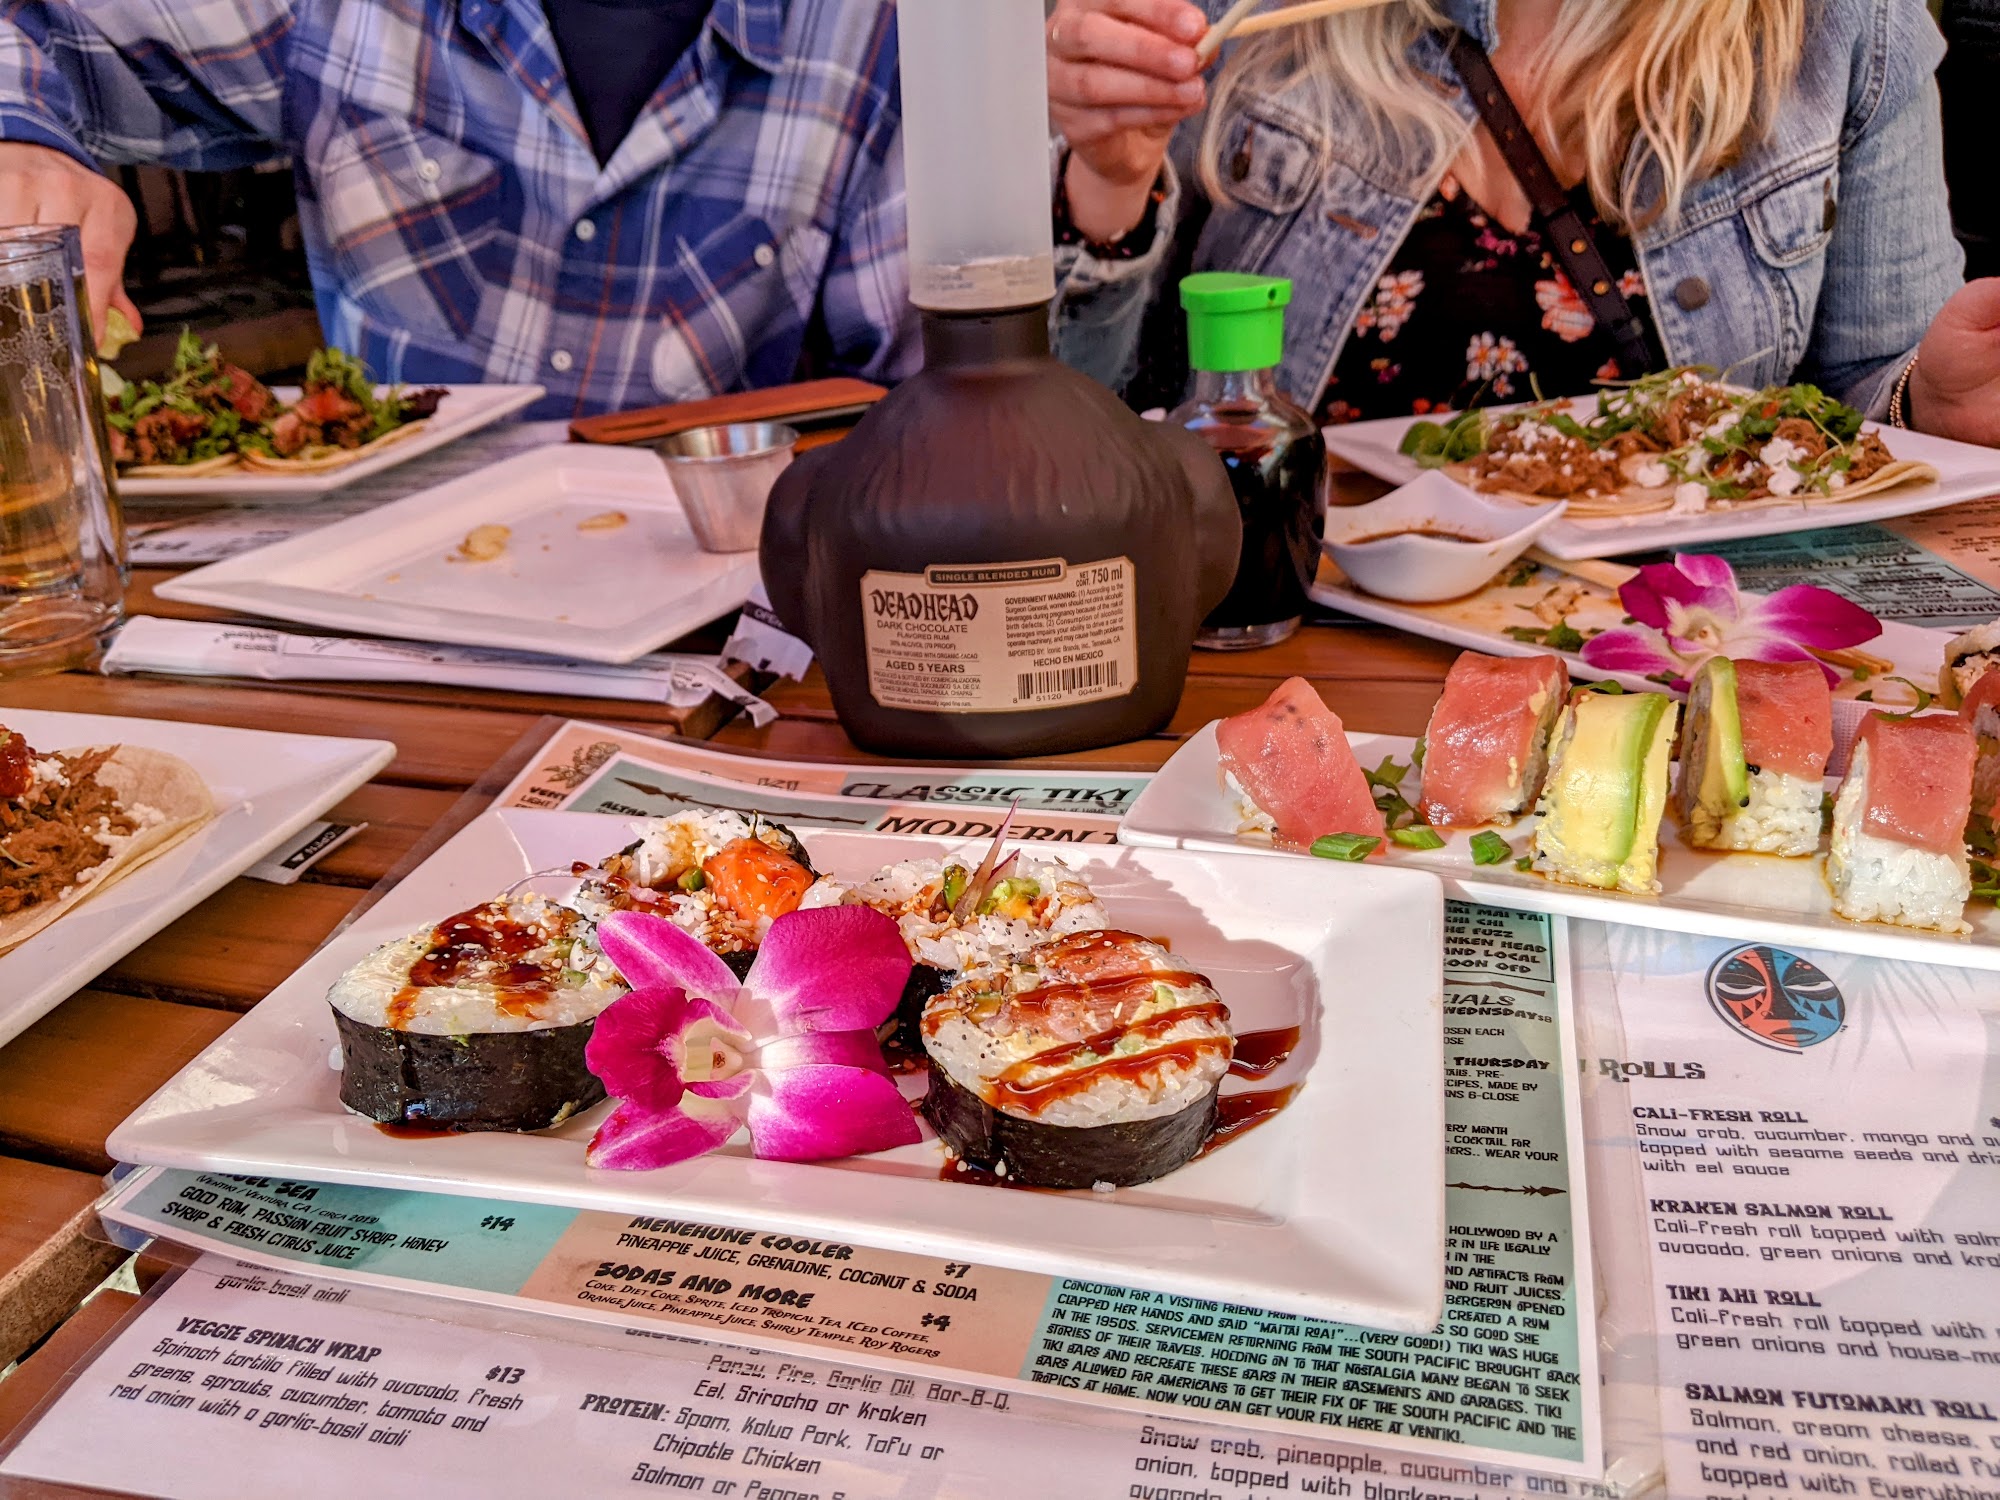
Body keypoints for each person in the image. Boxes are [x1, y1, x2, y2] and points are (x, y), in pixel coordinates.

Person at [1044, 0, 2000, 446]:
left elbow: (1871, 407)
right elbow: (1064, 425)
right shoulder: (1215, 14)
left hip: (1692, 656)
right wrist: (1108, 183)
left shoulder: (1843, 23)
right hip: (1282, 646)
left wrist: (1929, 406)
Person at [0, 0, 915, 416]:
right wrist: (23, 143)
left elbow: (931, 406)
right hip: (369, 632)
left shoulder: (886, 35)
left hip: (720, 652)